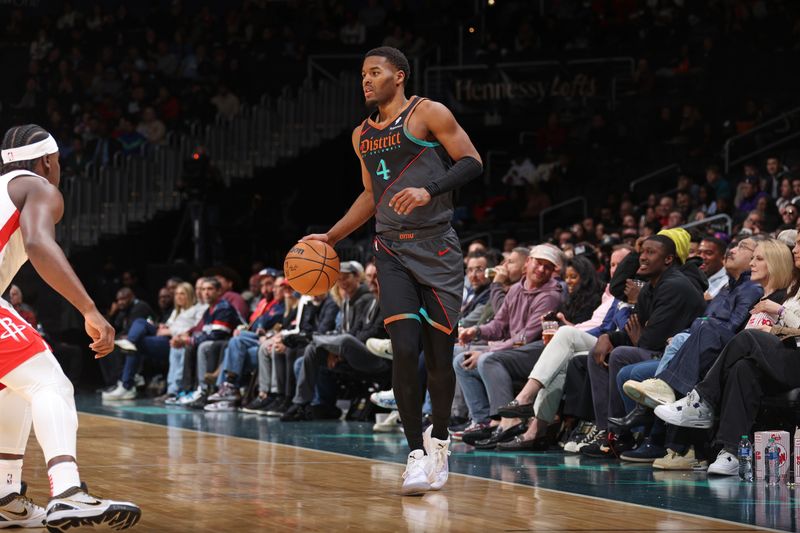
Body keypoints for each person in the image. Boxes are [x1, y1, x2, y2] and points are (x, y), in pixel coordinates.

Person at [301, 46, 482, 495]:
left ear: (399, 76)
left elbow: (472, 161)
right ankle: (415, 454)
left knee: (439, 358)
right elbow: (371, 195)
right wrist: (331, 237)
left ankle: (439, 440)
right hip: (391, 251)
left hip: (437, 248)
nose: (366, 80)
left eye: (375, 72)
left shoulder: (427, 113)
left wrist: (428, 190)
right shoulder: (361, 134)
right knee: (403, 347)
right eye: (362, 74)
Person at [0, 125, 140, 530]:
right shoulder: (39, 188)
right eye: (58, 162)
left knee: (16, 385)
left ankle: (6, 495)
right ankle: (67, 492)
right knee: (50, 385)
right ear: (48, 161)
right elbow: (40, 244)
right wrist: (90, 309)